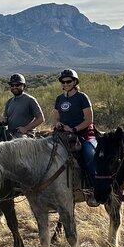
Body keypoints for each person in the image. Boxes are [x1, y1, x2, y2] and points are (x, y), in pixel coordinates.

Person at [53, 69, 98, 206]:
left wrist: (73, 129)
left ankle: (93, 190)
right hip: (64, 135)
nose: (65, 84)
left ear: (75, 82)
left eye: (68, 81)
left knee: (89, 155)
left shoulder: (82, 97)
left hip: (83, 134)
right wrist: (58, 124)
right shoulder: (59, 99)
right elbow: (55, 118)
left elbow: (89, 120)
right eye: (63, 81)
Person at [1, 73, 44, 138]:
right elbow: (6, 120)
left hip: (25, 135)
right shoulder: (9, 102)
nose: (14, 87)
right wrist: (3, 121)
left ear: (23, 86)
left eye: (17, 85)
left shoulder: (30, 100)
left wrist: (26, 128)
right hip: (10, 134)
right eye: (12, 85)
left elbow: (41, 119)